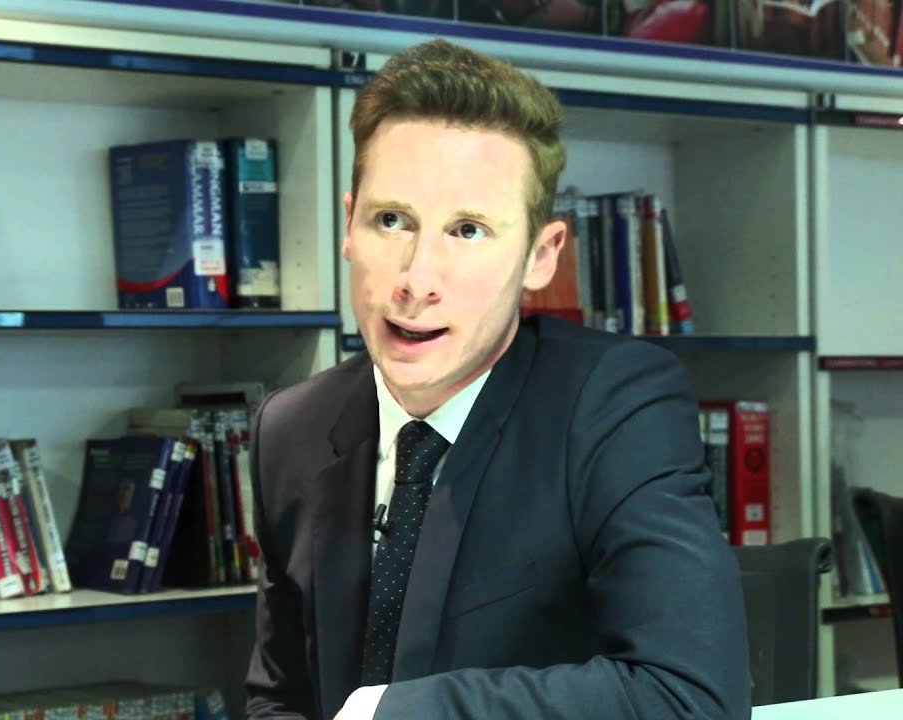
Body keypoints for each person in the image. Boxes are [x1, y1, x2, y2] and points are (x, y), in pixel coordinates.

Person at [242, 37, 751, 719]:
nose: (417, 280)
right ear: (349, 226)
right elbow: (281, 698)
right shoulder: (291, 429)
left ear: (541, 255)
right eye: (391, 221)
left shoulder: (613, 407)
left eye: (468, 230)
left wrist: (388, 715)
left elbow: (690, 696)